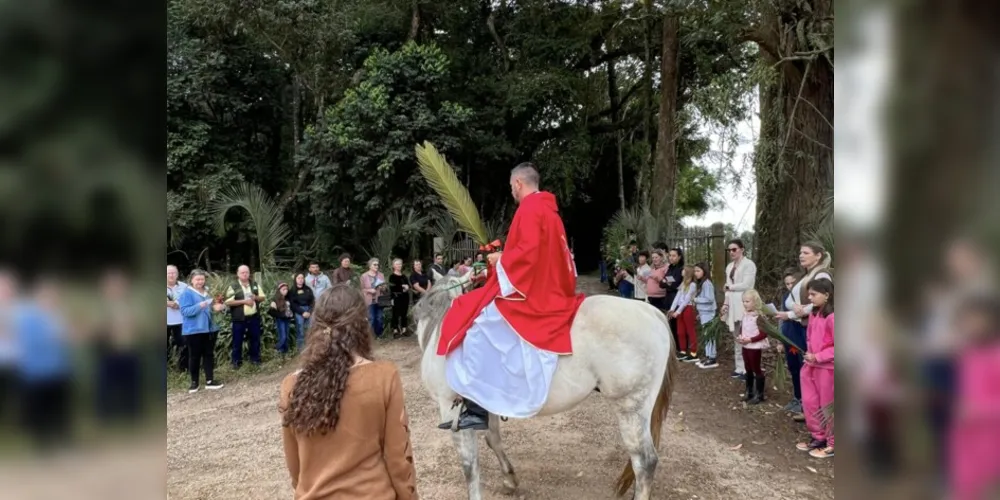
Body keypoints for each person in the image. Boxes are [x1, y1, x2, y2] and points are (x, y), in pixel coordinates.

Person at [437, 163, 585, 430]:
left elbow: (526, 255)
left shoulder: (529, 209)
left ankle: (479, 408)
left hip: (534, 295)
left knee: (477, 326)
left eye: (511, 187)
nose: (512, 192)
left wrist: (499, 258)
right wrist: (497, 267)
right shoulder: (549, 210)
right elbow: (540, 255)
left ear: (518, 183)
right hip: (549, 287)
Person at [280, 286, 417, 499]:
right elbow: (399, 459)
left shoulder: (291, 385)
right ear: (362, 324)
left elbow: (295, 468)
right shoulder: (383, 376)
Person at [948, 295, 1000, 500]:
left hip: (990, 440)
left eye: (975, 320)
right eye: (965, 320)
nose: (969, 325)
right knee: (963, 486)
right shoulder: (967, 353)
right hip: (964, 437)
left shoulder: (996, 355)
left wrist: (976, 410)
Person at [796, 278, 835, 458]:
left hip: (827, 368)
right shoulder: (814, 313)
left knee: (827, 405)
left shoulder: (833, 316)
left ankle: (833, 442)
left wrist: (819, 356)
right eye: (809, 294)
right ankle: (818, 436)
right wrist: (810, 355)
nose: (810, 298)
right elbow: (811, 337)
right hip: (811, 364)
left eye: (813, 294)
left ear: (827, 295)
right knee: (810, 402)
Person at [178, 270, 226, 393]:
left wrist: (219, 308)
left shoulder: (209, 291)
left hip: (210, 328)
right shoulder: (187, 294)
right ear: (192, 280)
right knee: (194, 356)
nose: (200, 282)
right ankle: (194, 383)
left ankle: (210, 381)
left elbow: (213, 308)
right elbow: (185, 312)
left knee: (209, 355)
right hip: (194, 330)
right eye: (197, 279)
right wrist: (200, 305)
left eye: (202, 279)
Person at [720, 239, 757, 380]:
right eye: (729, 250)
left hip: (745, 302)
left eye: (734, 249)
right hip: (733, 305)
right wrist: (725, 303)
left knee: (747, 335)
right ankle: (740, 367)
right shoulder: (729, 266)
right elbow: (727, 288)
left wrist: (730, 287)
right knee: (737, 336)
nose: (731, 252)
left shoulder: (749, 264)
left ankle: (750, 369)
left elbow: (748, 284)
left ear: (742, 249)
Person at [775, 268, 807, 416]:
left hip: (802, 339)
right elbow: (781, 319)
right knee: (793, 368)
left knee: (804, 369)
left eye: (793, 283)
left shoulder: (806, 297)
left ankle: (806, 402)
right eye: (787, 284)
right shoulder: (786, 297)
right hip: (788, 338)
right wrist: (780, 339)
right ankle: (797, 398)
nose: (790, 287)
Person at [225, 265, 266, 368]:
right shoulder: (233, 286)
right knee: (237, 340)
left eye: (247, 272)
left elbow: (263, 298)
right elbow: (228, 302)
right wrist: (244, 301)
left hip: (253, 317)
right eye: (242, 272)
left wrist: (255, 297)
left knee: (255, 339)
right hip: (239, 318)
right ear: (238, 274)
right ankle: (236, 362)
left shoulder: (254, 284)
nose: (245, 274)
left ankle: (255, 360)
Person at [736, 289, 769, 404]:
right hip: (745, 345)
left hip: (754, 346)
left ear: (755, 302)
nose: (745, 304)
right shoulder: (745, 314)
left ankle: (759, 394)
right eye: (744, 301)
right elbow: (742, 327)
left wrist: (751, 339)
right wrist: (740, 336)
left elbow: (764, 333)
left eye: (748, 301)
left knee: (756, 368)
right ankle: (749, 391)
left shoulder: (758, 316)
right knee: (748, 367)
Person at [668, 265, 699, 362]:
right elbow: (677, 297)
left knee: (690, 331)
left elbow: (687, 299)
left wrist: (678, 311)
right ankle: (683, 351)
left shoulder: (693, 285)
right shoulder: (683, 283)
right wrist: (672, 309)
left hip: (688, 309)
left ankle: (694, 352)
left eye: (684, 270)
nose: (682, 271)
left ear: (688, 272)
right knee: (680, 331)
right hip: (679, 310)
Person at [692, 262, 719, 368]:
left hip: (708, 313)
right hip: (704, 313)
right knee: (706, 335)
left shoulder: (707, 283)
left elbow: (709, 299)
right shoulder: (702, 283)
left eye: (698, 271)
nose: (696, 273)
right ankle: (708, 356)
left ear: (704, 271)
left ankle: (712, 358)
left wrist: (695, 299)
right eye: (695, 271)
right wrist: (700, 313)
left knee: (709, 336)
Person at [660, 248, 685, 359]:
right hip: (668, 299)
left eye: (674, 255)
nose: (671, 257)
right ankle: (673, 347)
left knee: (677, 325)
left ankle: (680, 349)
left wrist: (668, 283)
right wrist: (668, 284)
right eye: (670, 255)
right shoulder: (670, 268)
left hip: (677, 300)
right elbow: (662, 283)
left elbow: (675, 285)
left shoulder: (681, 269)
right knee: (670, 324)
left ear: (679, 257)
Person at [167, 265, 188, 372]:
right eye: (168, 273)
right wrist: (168, 303)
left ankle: (183, 369)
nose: (171, 275)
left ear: (177, 274)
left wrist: (178, 304)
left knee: (184, 345)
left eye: (173, 273)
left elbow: (189, 299)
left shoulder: (184, 286)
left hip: (180, 321)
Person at [360, 259, 387, 338]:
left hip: (379, 300)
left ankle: (379, 334)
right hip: (369, 300)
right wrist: (369, 290)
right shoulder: (364, 276)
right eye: (374, 265)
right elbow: (362, 289)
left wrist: (383, 287)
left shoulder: (381, 275)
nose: (376, 266)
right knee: (371, 318)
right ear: (370, 266)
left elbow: (385, 287)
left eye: (377, 265)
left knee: (379, 318)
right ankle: (371, 336)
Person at [288, 273, 315, 352]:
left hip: (309, 310)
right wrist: (302, 312)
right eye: (298, 278)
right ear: (295, 279)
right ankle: (301, 349)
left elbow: (312, 301)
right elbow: (292, 304)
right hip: (299, 311)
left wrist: (309, 311)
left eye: (302, 278)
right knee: (300, 330)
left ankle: (309, 348)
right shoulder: (292, 290)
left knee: (310, 329)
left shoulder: (308, 289)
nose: (300, 279)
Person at [269, 282, 295, 355]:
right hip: (280, 319)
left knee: (286, 336)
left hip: (288, 319)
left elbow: (291, 307)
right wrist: (281, 315)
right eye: (283, 289)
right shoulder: (275, 299)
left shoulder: (288, 298)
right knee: (283, 336)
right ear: (279, 290)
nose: (285, 291)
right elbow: (271, 312)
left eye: (286, 289)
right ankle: (276, 348)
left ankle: (284, 351)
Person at [388, 259, 411, 339]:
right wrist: (402, 287)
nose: (399, 266)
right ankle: (395, 330)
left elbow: (408, 285)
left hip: (405, 297)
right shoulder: (392, 276)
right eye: (397, 264)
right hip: (396, 297)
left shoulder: (404, 276)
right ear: (393, 266)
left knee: (404, 313)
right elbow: (392, 287)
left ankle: (404, 329)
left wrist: (407, 287)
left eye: (400, 264)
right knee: (395, 314)